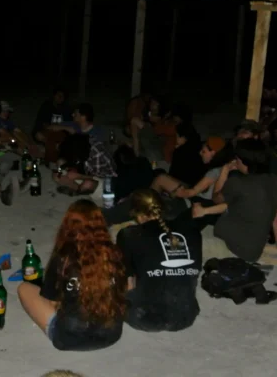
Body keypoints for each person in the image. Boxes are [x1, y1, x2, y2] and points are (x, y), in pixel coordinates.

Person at [18, 199, 126, 351]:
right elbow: (124, 289)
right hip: (111, 335)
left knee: (24, 288)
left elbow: (51, 301)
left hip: (69, 338)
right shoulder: (115, 253)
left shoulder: (64, 257)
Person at [191, 139, 277, 260]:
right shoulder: (274, 180)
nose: (236, 162)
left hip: (230, 246)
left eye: (237, 160)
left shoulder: (237, 182)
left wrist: (224, 171)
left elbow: (216, 198)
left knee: (185, 236)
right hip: (253, 250)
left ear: (244, 162)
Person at [117, 189, 202, 332]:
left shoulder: (129, 234)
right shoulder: (193, 231)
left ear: (139, 215)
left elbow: (128, 282)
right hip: (187, 316)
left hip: (144, 318)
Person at [151, 136, 229, 205]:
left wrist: (178, 192)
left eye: (204, 151)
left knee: (160, 179)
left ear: (213, 153)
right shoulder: (217, 167)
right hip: (195, 192)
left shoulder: (215, 172)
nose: (200, 153)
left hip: (195, 200)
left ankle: (148, 207)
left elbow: (191, 192)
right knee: (160, 172)